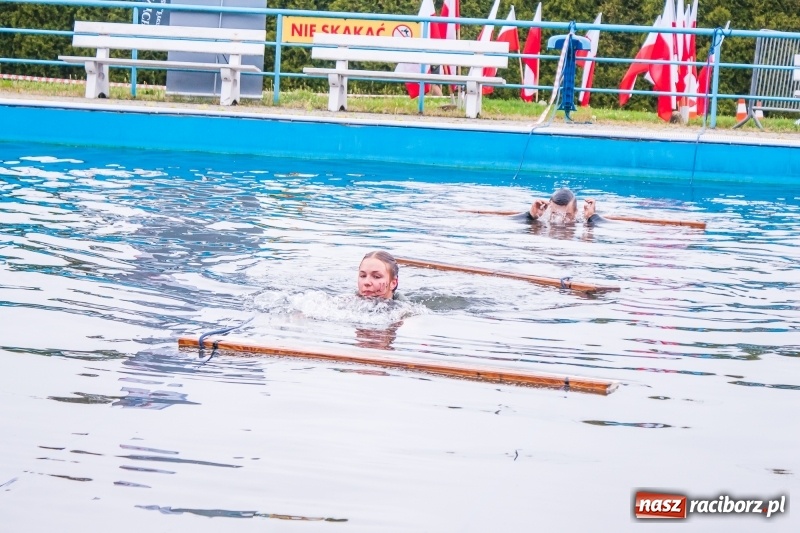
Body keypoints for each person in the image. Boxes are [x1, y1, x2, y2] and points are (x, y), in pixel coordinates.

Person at [527, 187, 606, 226]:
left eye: (567, 215)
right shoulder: (543, 218)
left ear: (576, 212)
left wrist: (591, 217)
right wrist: (532, 216)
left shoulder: (581, 220)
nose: (560, 220)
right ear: (548, 209)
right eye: (555, 214)